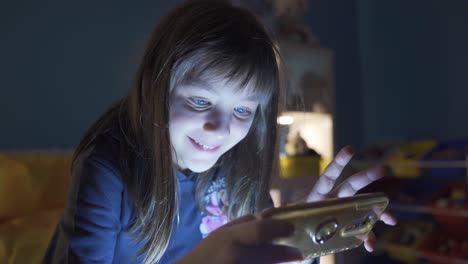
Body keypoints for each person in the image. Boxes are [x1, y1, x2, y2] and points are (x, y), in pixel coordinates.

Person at [43, 1, 396, 263]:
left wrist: (299, 239)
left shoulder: (240, 163)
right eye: (199, 101)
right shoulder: (108, 167)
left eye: (243, 110)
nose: (221, 129)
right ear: (156, 85)